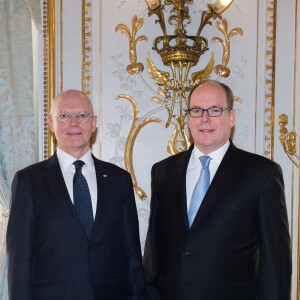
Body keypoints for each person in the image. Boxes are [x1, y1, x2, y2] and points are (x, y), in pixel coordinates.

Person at [143, 79, 291, 300]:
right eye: (196, 110)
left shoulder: (262, 173)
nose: (205, 119)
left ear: (231, 117)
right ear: (188, 118)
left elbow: (275, 260)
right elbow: (154, 249)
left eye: (214, 110)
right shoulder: (163, 172)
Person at [6, 89, 146, 300]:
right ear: (51, 123)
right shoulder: (29, 182)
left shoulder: (119, 180)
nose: (73, 123)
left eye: (82, 115)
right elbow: (19, 261)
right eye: (63, 116)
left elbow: (132, 256)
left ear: (93, 123)